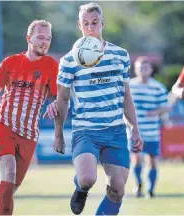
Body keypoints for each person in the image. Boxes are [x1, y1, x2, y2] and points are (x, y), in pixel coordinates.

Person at [44, 3, 143, 215]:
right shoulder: (69, 60)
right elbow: (62, 99)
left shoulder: (120, 55)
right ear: (79, 25)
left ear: (102, 23)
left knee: (117, 191)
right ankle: (81, 188)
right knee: (88, 178)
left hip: (115, 131)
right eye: (86, 24)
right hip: (85, 131)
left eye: (95, 23)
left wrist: (134, 127)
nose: (91, 28)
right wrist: (58, 135)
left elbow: (126, 96)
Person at [0, 20, 58, 215]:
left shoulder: (51, 66)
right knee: (8, 173)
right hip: (4, 124)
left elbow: (60, 97)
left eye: (48, 39)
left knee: (8, 190)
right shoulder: (10, 62)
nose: (45, 42)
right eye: (41, 37)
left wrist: (58, 104)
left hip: (29, 133)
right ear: (28, 38)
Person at [129, 56, 170, 198]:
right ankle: (139, 185)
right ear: (136, 69)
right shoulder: (129, 86)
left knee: (152, 161)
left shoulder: (158, 87)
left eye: (146, 68)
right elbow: (123, 105)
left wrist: (155, 112)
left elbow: (166, 106)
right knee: (137, 158)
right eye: (140, 68)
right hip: (135, 132)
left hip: (152, 131)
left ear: (151, 70)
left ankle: (151, 189)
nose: (143, 70)